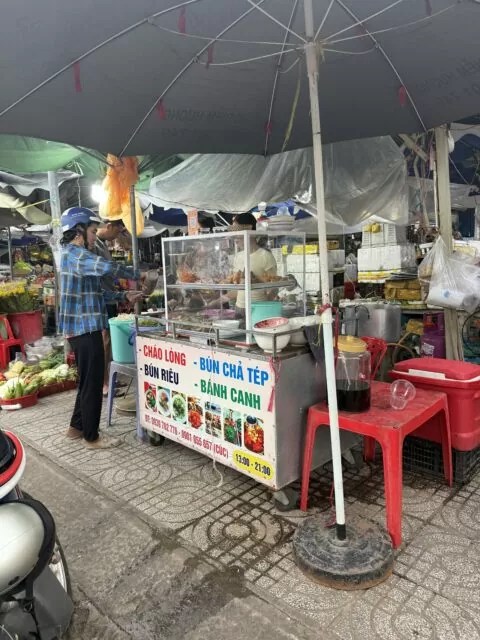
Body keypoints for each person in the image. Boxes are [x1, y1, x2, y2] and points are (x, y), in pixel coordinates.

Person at [59, 207, 142, 450]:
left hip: (84, 329)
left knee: (87, 380)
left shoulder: (76, 256)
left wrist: (124, 295)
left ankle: (76, 427)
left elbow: (98, 293)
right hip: (85, 330)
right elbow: (107, 267)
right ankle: (91, 436)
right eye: (93, 231)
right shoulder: (76, 254)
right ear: (79, 230)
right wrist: (137, 273)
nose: (95, 237)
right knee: (94, 382)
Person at [92, 219, 130, 396]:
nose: (117, 235)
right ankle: (104, 383)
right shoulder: (94, 245)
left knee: (108, 341)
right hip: (102, 300)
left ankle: (109, 378)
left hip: (109, 297)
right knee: (105, 340)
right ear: (109, 226)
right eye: (117, 231)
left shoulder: (102, 244)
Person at [229, 212, 277, 319]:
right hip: (239, 308)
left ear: (250, 230)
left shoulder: (266, 256)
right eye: (233, 232)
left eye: (238, 231)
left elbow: (274, 288)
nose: (235, 237)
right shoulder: (238, 256)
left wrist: (263, 307)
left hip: (259, 309)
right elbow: (237, 289)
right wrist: (218, 300)